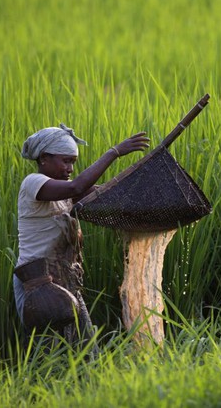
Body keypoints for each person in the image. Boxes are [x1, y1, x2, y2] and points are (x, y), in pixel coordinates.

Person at [14, 123, 150, 351]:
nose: (70, 168)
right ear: (44, 159)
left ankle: (89, 383)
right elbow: (77, 187)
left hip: (65, 281)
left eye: (73, 163)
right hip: (37, 285)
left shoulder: (67, 190)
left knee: (88, 350)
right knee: (48, 352)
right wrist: (113, 153)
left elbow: (103, 194)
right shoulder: (33, 183)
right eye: (65, 161)